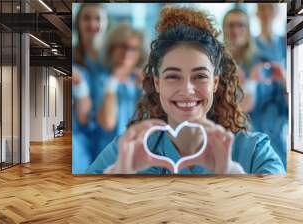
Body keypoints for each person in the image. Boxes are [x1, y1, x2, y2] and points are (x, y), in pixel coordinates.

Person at [87, 7, 285, 175]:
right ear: (157, 82)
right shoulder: (126, 150)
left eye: (200, 76)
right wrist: (113, 185)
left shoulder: (253, 151)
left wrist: (234, 179)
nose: (187, 89)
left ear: (215, 82)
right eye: (173, 76)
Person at [72, 3, 112, 173]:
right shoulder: (73, 60)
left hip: (110, 137)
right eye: (86, 18)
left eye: (98, 18)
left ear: (106, 23)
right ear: (78, 23)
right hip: (81, 140)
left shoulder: (116, 60)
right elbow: (83, 117)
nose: (92, 24)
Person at [247, 3, 288, 169]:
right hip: (256, 114)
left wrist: (283, 76)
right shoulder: (250, 46)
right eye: (262, 8)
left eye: (269, 7)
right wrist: (252, 78)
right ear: (256, 12)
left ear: (277, 12)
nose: (266, 12)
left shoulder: (284, 44)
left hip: (279, 116)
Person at [223, 8, 260, 113]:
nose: (235, 31)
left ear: (248, 29)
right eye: (231, 25)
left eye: (240, 25)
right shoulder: (216, 60)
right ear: (224, 28)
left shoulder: (259, 60)